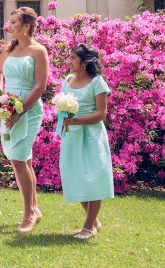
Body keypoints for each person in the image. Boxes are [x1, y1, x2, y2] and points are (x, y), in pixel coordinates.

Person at [0, 7, 49, 233]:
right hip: (8, 107)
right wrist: (0, 95)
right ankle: (34, 209)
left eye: (14, 22)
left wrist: (20, 111)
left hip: (30, 108)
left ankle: (28, 215)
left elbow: (41, 86)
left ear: (26, 26)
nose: (10, 25)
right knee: (23, 160)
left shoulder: (39, 51)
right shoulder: (10, 48)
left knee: (18, 158)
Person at [57, 43, 113, 240]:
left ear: (85, 62)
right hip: (71, 134)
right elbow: (63, 107)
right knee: (74, 175)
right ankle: (94, 221)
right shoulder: (67, 80)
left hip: (91, 135)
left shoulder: (97, 82)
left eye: (73, 58)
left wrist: (78, 120)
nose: (69, 61)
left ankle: (88, 226)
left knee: (92, 177)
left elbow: (101, 114)